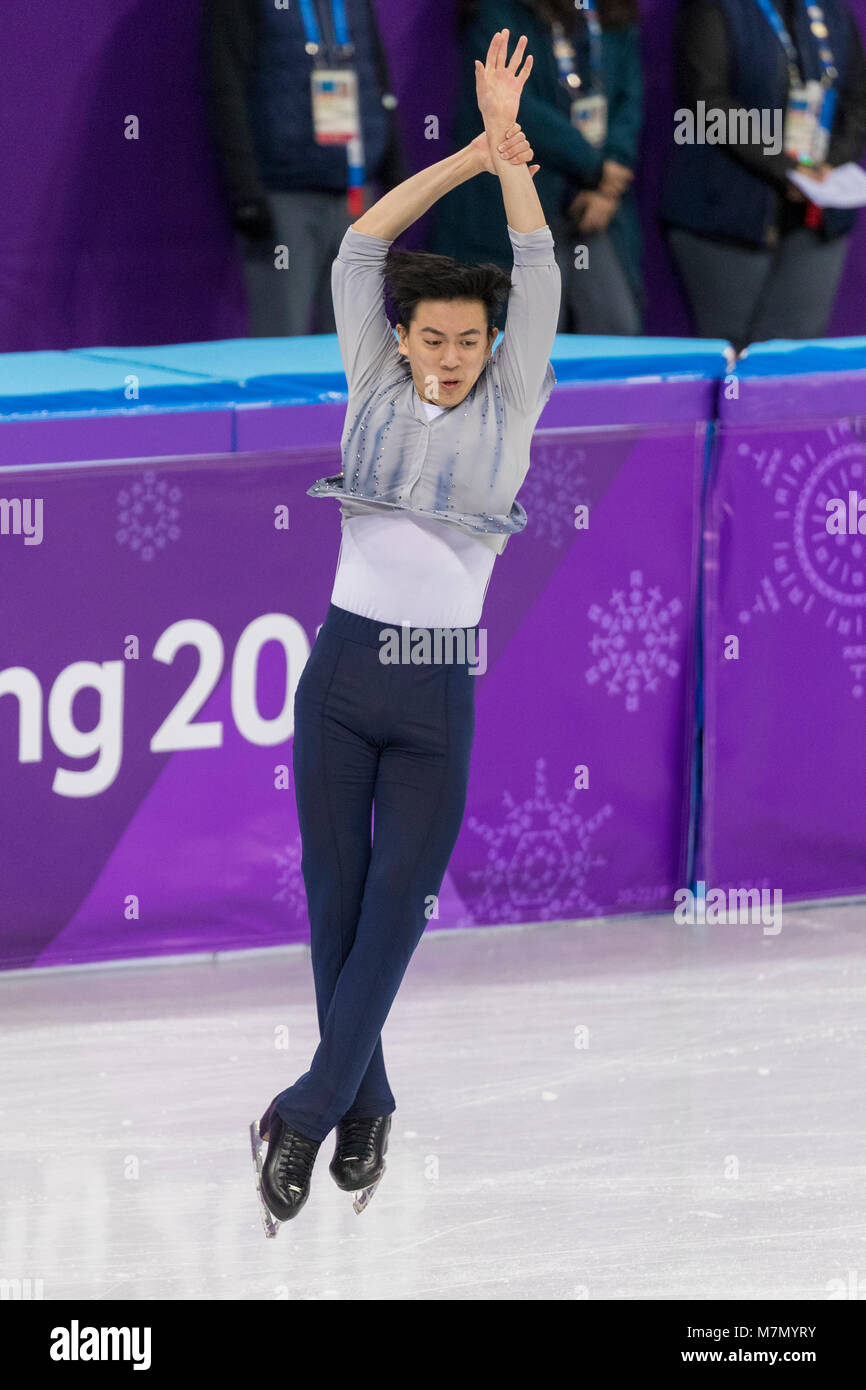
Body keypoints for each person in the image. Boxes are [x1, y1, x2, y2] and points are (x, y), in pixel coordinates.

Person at [249, 28, 561, 1235]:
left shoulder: (516, 388)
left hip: (434, 692)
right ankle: (363, 1103)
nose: (443, 357)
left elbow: (532, 260)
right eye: (427, 336)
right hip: (337, 677)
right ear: (400, 339)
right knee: (336, 904)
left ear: (491, 348)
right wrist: (466, 157)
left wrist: (511, 164)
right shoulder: (371, 376)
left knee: (395, 909)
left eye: (463, 341)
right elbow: (362, 242)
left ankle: (308, 1104)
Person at [661, 0, 866, 350]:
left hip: (818, 215)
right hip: (725, 212)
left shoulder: (833, 12)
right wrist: (788, 169)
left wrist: (825, 165)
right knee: (736, 359)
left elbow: (858, 101)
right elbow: (709, 101)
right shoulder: (715, 8)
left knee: (791, 359)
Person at [431, 0, 644, 335]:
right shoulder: (496, 13)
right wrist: (595, 168)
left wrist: (608, 178)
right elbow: (517, 110)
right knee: (532, 336)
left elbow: (628, 99)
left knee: (616, 327)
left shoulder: (609, 14)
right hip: (523, 198)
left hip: (597, 203)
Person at [201, 0, 408, 336]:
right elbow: (227, 87)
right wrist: (246, 193)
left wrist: (395, 173)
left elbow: (376, 74)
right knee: (280, 338)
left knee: (354, 342)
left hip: (356, 192)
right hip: (283, 195)